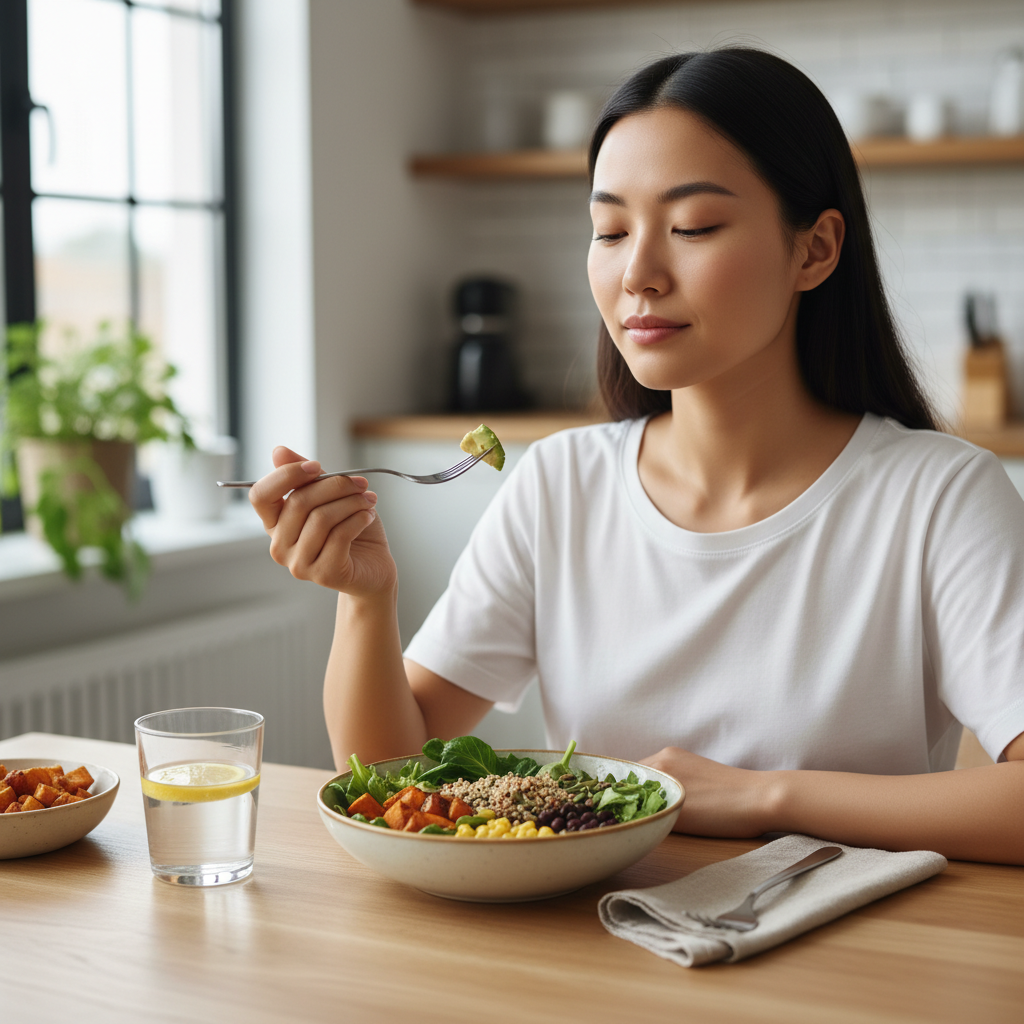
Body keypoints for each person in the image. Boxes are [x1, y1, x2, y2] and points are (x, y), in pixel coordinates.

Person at [250, 49, 1024, 865]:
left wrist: (765, 796)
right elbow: (387, 783)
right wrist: (367, 601)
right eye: (610, 231)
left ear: (815, 250)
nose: (638, 274)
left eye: (693, 227)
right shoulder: (560, 485)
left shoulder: (941, 497)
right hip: (601, 952)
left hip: (845, 969)